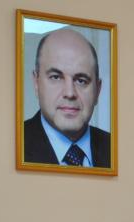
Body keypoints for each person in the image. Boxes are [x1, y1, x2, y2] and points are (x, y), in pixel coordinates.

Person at [23, 28, 111, 168]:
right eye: (56, 77)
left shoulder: (119, 149)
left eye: (81, 80)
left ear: (98, 90)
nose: (70, 93)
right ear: (36, 83)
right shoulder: (13, 143)